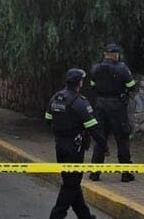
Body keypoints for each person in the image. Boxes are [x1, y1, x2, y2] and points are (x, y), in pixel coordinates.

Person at [45, 68, 107, 219]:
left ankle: (85, 216)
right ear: (79, 83)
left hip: (59, 146)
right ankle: (56, 216)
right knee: (70, 185)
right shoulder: (79, 102)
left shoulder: (56, 98)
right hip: (74, 148)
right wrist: (103, 145)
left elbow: (48, 119)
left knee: (72, 182)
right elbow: (93, 127)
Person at [87, 43, 136, 183]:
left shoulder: (96, 68)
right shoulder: (122, 68)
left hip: (101, 105)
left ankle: (95, 173)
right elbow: (131, 86)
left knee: (100, 139)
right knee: (122, 138)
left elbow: (92, 86)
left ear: (105, 54)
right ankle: (126, 173)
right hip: (117, 107)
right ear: (116, 55)